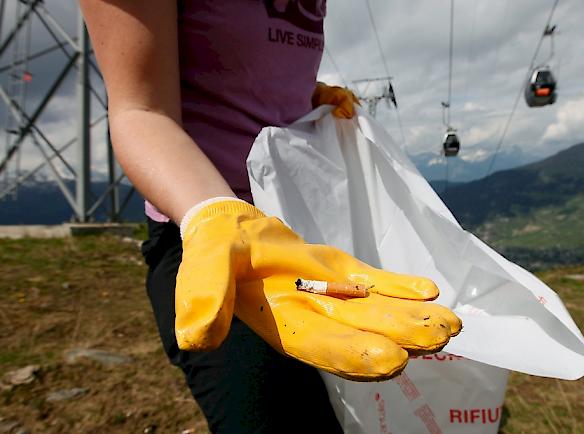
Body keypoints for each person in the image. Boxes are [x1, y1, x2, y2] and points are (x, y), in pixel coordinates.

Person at [79, 1, 461, 432]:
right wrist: (214, 214)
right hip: (215, 248)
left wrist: (304, 93)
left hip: (301, 225)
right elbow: (139, 110)